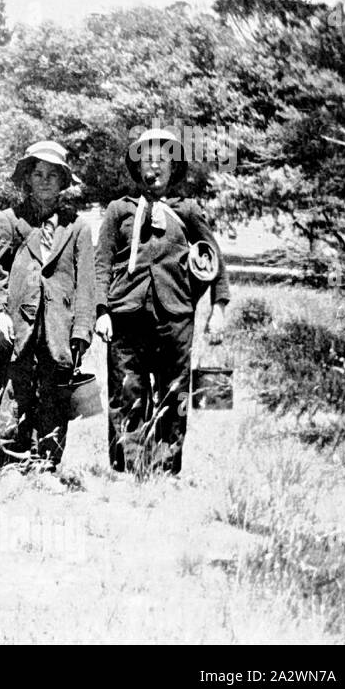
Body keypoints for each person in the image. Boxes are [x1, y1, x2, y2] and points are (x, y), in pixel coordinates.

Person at [94, 128, 230, 475]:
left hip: (176, 317)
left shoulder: (187, 210)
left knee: (174, 392)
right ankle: (129, 466)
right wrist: (101, 311)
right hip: (126, 315)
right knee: (128, 390)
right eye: (145, 161)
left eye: (161, 160)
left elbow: (214, 260)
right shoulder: (118, 210)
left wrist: (218, 308)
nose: (152, 168)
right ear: (137, 168)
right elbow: (101, 264)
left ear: (174, 167)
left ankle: (166, 469)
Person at [0, 140, 95, 472]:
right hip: (17, 324)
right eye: (38, 173)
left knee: (56, 395)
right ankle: (13, 464)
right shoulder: (9, 221)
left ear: (62, 181)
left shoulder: (77, 227)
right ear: (27, 178)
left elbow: (86, 284)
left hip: (60, 326)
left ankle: (47, 465)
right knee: (14, 393)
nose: (45, 180)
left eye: (53, 175)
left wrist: (82, 329)